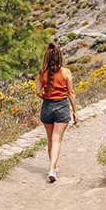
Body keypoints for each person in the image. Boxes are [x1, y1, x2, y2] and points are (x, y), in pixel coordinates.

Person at [36, 42, 78, 183]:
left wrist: (47, 97)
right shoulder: (66, 72)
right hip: (62, 107)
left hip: (47, 107)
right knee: (57, 140)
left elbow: (38, 92)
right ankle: (52, 169)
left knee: (50, 140)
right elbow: (71, 93)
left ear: (47, 57)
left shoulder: (42, 72)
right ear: (60, 57)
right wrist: (75, 112)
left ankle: (52, 167)